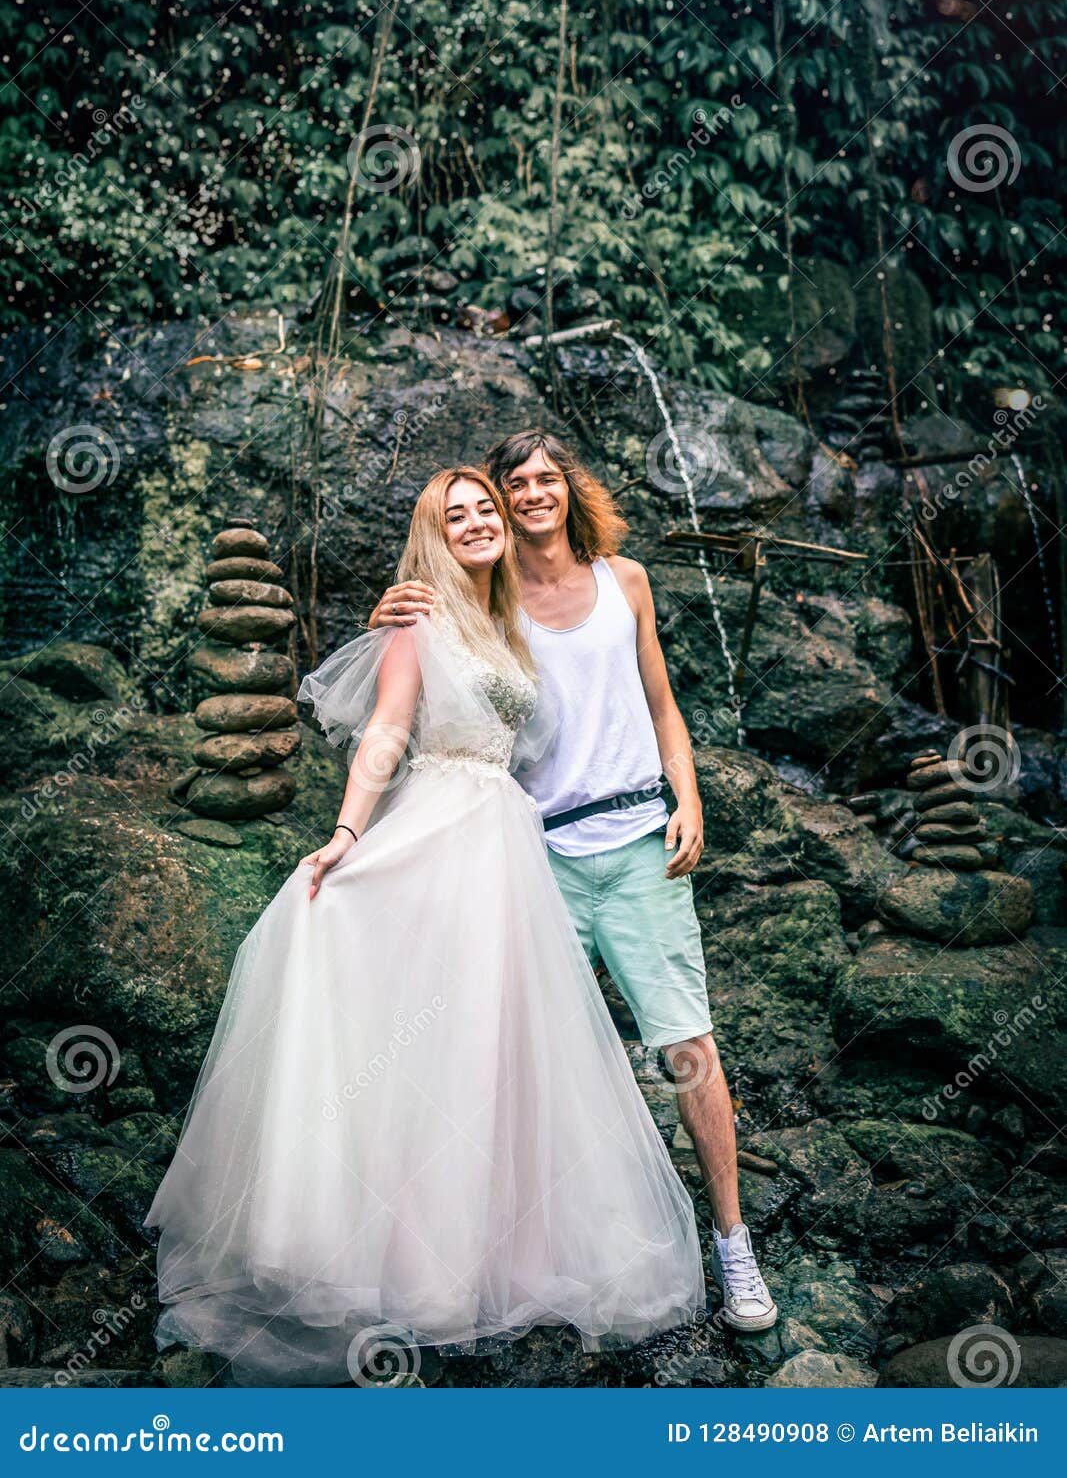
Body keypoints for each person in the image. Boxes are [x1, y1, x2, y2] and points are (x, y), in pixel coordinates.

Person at [147, 467, 705, 1386]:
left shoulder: (509, 618)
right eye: (460, 515)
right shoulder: (416, 619)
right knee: (422, 1042)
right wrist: (343, 835)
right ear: (434, 535)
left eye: (487, 507)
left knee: (491, 1048)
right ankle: (390, 1259)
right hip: (442, 831)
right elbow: (384, 733)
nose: (481, 521)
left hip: (510, 845)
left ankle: (487, 1249)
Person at [370, 432, 777, 1333]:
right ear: (501, 501)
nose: (530, 495)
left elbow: (663, 702)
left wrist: (689, 794)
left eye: (545, 479)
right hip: (535, 853)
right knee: (519, 1053)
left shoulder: (625, 580)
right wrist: (388, 608)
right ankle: (520, 1250)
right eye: (514, 485)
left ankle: (732, 1243)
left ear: (568, 490)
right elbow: (425, 639)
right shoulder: (490, 591)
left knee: (685, 1045)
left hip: (639, 843)